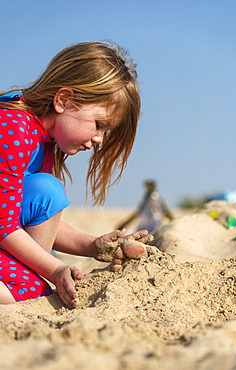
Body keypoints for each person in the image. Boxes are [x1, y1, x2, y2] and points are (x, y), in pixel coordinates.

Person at [0, 41, 153, 307]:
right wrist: (55, 269)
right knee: (32, 290)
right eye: (99, 125)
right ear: (63, 100)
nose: (99, 139)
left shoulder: (41, 140)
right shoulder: (12, 130)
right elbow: (5, 226)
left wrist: (92, 245)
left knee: (46, 191)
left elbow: (28, 214)